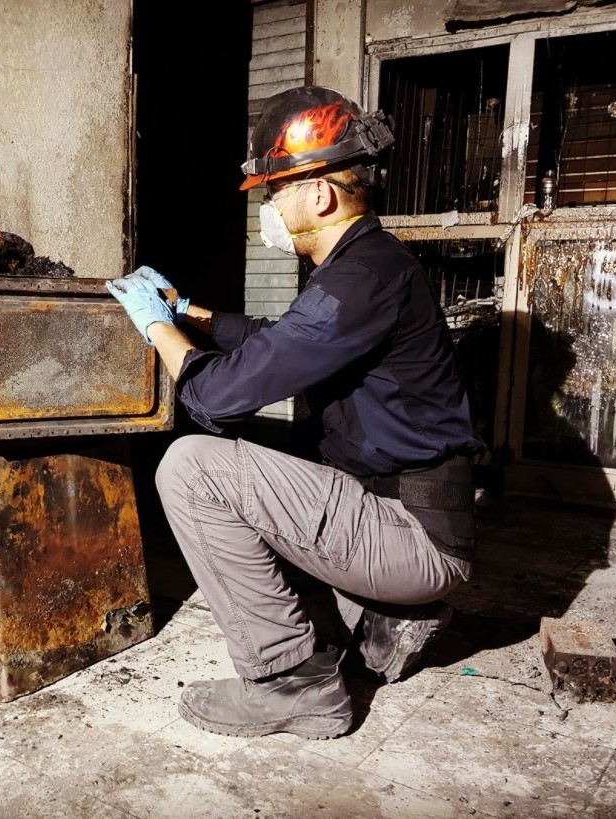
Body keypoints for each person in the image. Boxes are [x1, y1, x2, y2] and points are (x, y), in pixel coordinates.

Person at [105, 85, 486, 740]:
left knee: (193, 467)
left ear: (321, 193)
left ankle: (292, 683)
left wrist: (155, 330)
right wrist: (188, 311)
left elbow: (215, 396)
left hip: (411, 533)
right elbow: (277, 344)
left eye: (275, 189)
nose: (270, 205)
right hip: (405, 514)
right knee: (266, 450)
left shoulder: (360, 278)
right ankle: (383, 614)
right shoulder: (367, 267)